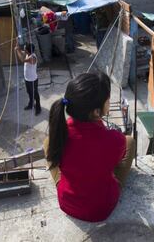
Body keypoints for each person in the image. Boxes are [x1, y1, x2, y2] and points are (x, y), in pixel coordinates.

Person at [44, 72, 135, 222]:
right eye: (107, 99)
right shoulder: (115, 139)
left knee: (49, 144)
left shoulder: (60, 133)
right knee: (130, 142)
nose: (109, 101)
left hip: (67, 203)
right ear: (96, 111)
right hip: (102, 208)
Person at [14, 42, 41, 115]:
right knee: (29, 92)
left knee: (35, 94)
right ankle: (31, 104)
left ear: (28, 50)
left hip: (33, 80)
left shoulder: (32, 58)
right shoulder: (27, 53)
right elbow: (22, 52)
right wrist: (18, 48)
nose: (24, 49)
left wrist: (17, 50)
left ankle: (38, 108)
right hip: (27, 79)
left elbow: (22, 60)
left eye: (25, 49)